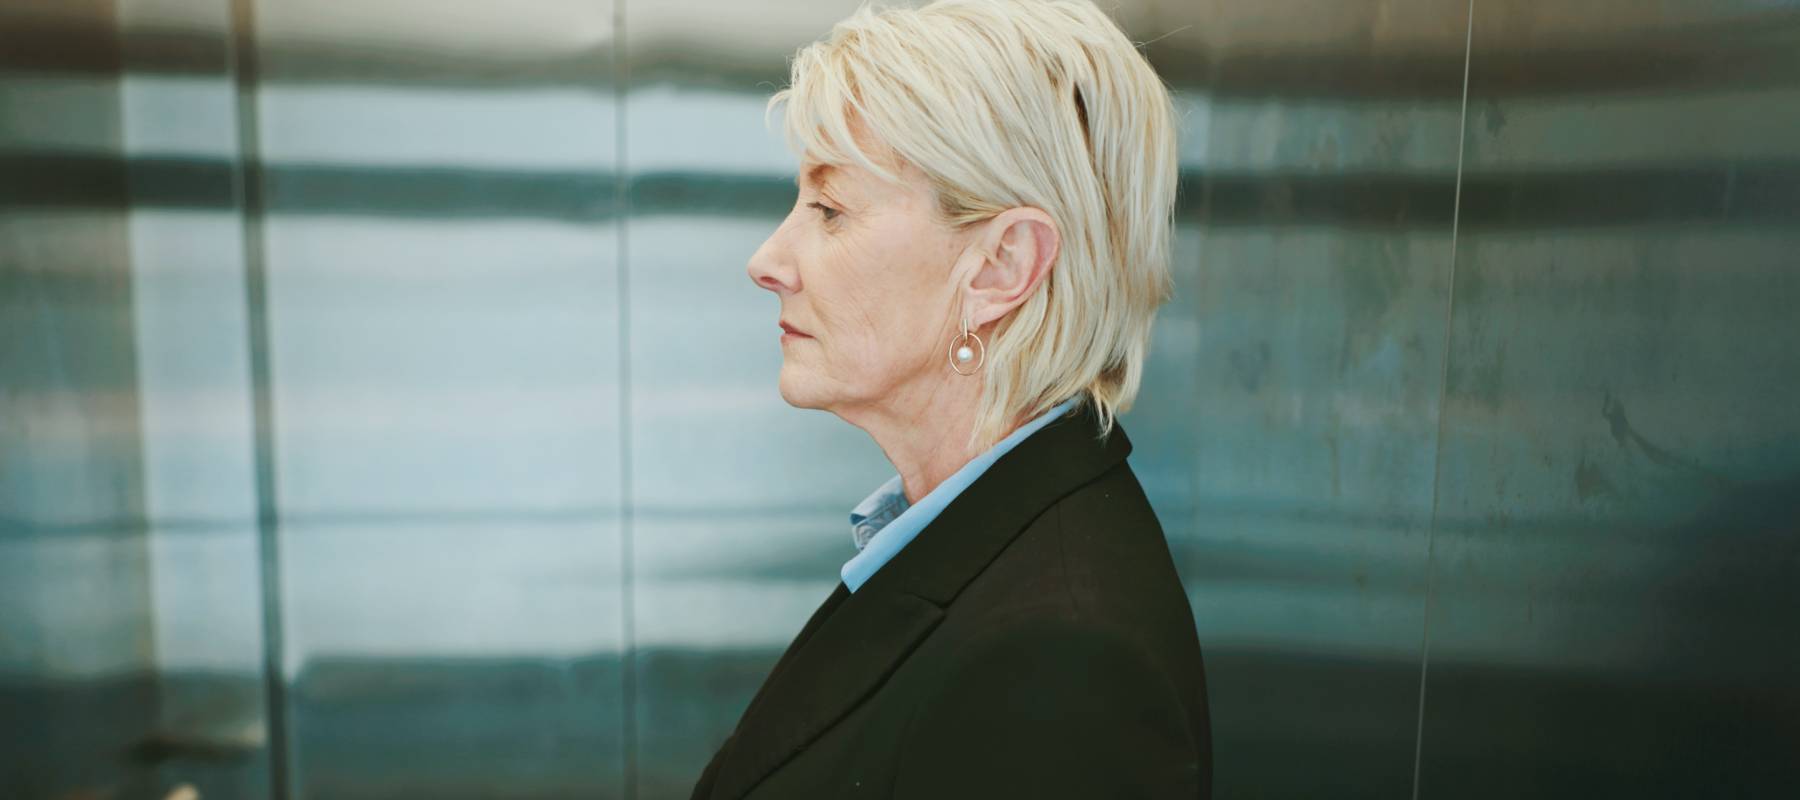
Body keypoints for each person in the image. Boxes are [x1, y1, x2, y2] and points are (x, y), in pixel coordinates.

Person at [694, 1, 1209, 797]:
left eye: (830, 209)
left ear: (1004, 266)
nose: (768, 259)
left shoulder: (1061, 668)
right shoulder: (959, 540)